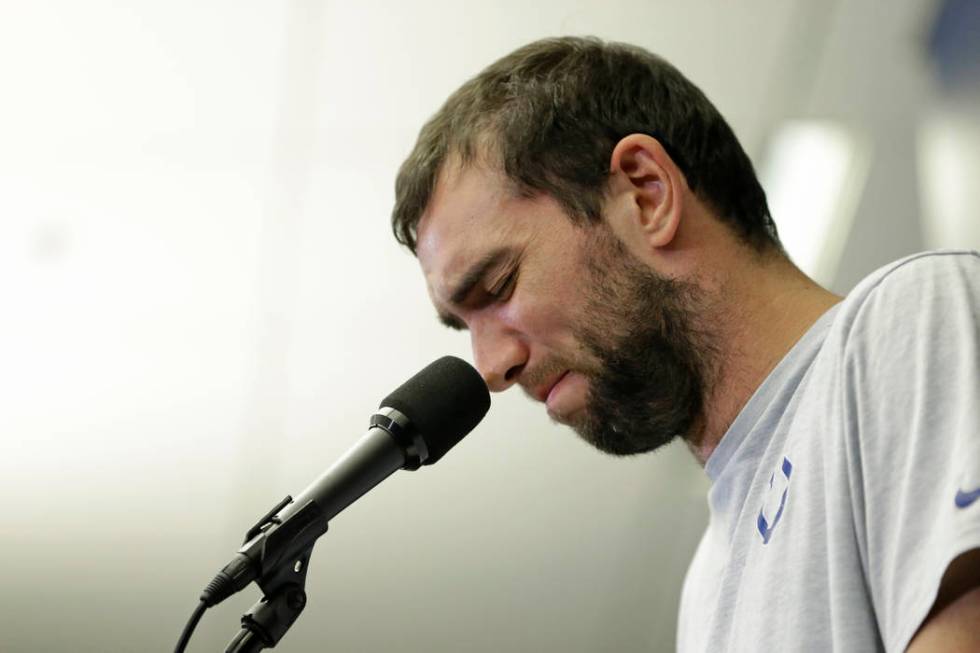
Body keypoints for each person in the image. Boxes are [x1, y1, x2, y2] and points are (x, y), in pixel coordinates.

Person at [389, 36, 980, 651]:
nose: (491, 366)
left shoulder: (908, 318)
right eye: (464, 325)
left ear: (646, 195)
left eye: (499, 284)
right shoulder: (707, 586)